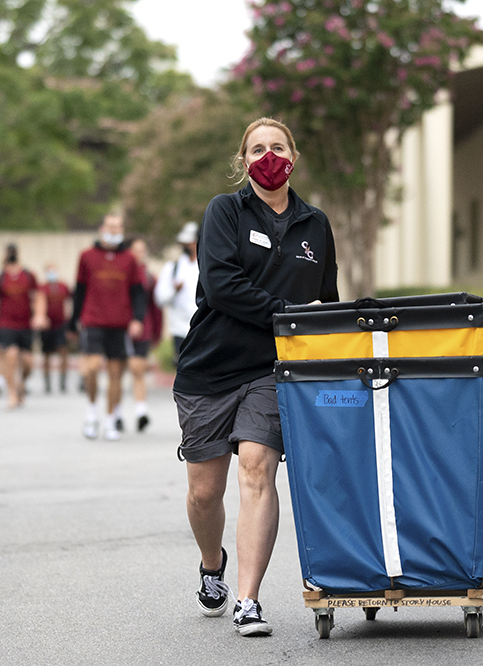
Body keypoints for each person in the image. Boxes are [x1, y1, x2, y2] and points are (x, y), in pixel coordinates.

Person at [173, 118, 339, 636]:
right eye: (257, 149)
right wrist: (290, 312)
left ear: (293, 154)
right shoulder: (225, 211)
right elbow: (221, 287)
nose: (269, 156)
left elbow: (326, 304)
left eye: (278, 146)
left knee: (256, 467)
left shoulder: (316, 225)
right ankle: (211, 563)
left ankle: (248, 600)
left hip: (272, 370)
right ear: (243, 162)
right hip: (211, 367)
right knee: (205, 494)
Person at [68, 214, 146, 441]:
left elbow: (138, 293)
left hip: (119, 323)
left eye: (118, 226)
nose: (114, 230)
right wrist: (73, 321)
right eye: (110, 226)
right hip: (93, 320)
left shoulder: (129, 259)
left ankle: (111, 420)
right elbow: (79, 290)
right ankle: (91, 414)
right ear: (102, 228)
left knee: (115, 374)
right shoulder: (87, 256)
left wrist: (137, 319)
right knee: (91, 368)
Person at [0, 244, 47, 409]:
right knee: (10, 355)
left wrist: (40, 315)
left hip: (25, 325)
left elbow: (38, 297)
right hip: (5, 324)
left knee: (28, 363)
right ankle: (11, 393)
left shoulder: (29, 275)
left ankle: (20, 384)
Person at [127, 238, 163, 432]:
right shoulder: (121, 273)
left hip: (143, 329)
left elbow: (156, 308)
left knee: (137, 368)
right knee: (117, 370)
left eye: (143, 250)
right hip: (119, 328)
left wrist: (156, 332)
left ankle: (141, 411)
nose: (140, 254)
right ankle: (114, 414)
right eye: (136, 250)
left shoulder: (149, 277)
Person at [154, 221, 200, 365]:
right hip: (180, 330)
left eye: (191, 242)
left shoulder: (207, 265)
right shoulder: (173, 267)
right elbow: (159, 298)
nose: (187, 246)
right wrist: (174, 291)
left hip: (202, 329)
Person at [39, 263, 72, 394]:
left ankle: (63, 382)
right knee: (46, 354)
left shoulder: (63, 286)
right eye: (49, 271)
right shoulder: (42, 287)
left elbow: (69, 302)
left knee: (63, 351)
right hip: (47, 325)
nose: (52, 273)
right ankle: (47, 383)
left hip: (61, 325)